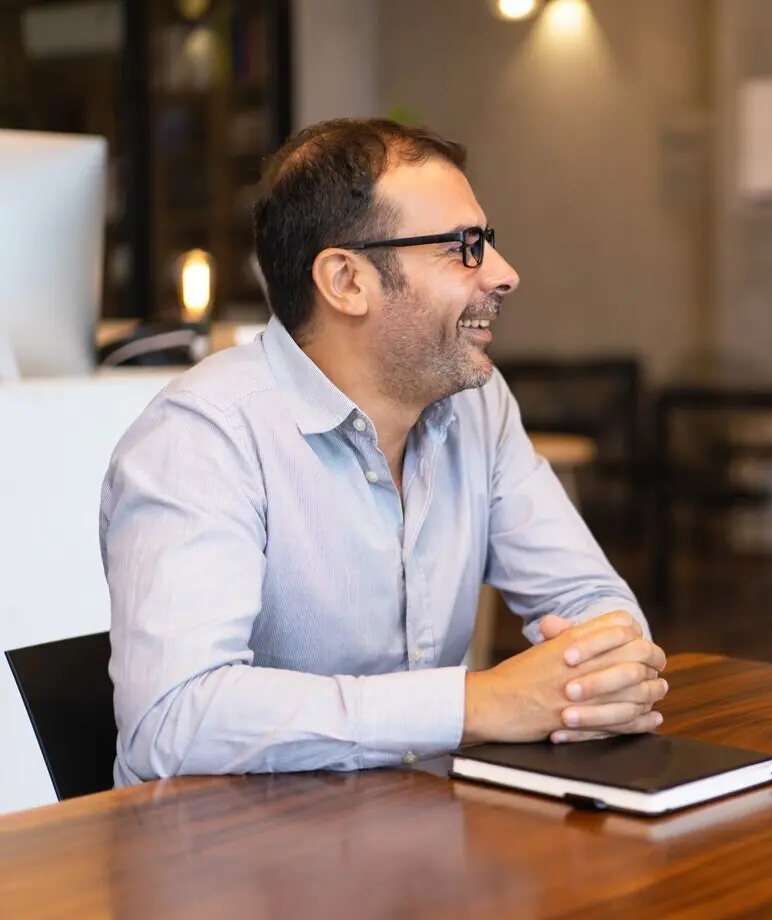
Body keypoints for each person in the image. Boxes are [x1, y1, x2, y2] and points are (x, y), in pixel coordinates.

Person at [101, 119, 667, 785]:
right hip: (227, 866)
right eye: (464, 247)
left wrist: (602, 673)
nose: (506, 274)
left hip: (416, 842)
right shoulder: (201, 438)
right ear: (346, 280)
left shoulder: (478, 406)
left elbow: (591, 598)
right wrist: (475, 704)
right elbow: (172, 722)